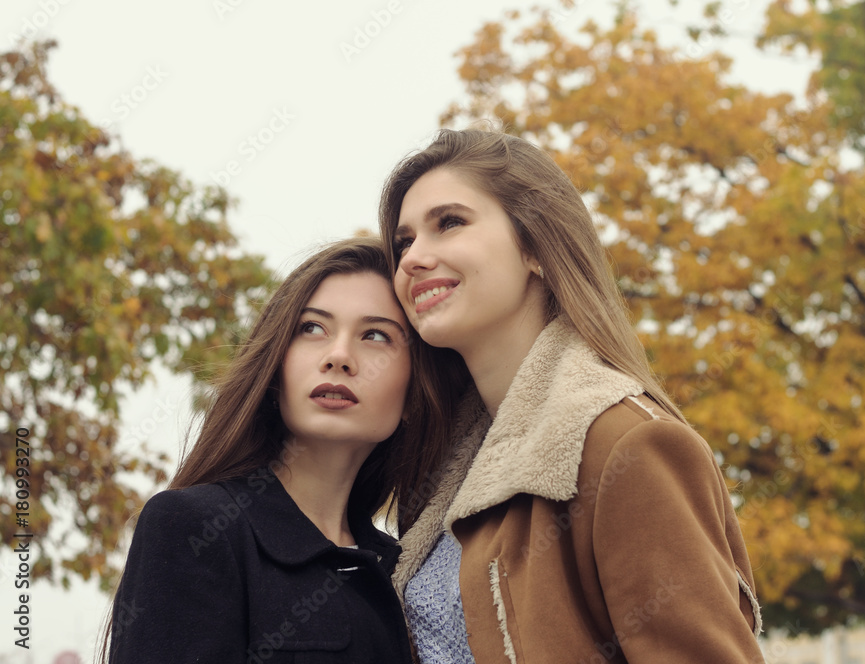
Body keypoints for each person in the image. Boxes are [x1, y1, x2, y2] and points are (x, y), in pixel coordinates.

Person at [378, 128, 765, 663]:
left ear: (535, 246)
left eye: (449, 223)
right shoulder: (446, 472)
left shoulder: (628, 445)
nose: (414, 258)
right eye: (404, 242)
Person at [100, 237, 417, 664]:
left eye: (375, 335)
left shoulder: (402, 566)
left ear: (416, 386)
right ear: (276, 362)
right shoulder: (193, 526)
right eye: (312, 328)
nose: (339, 356)